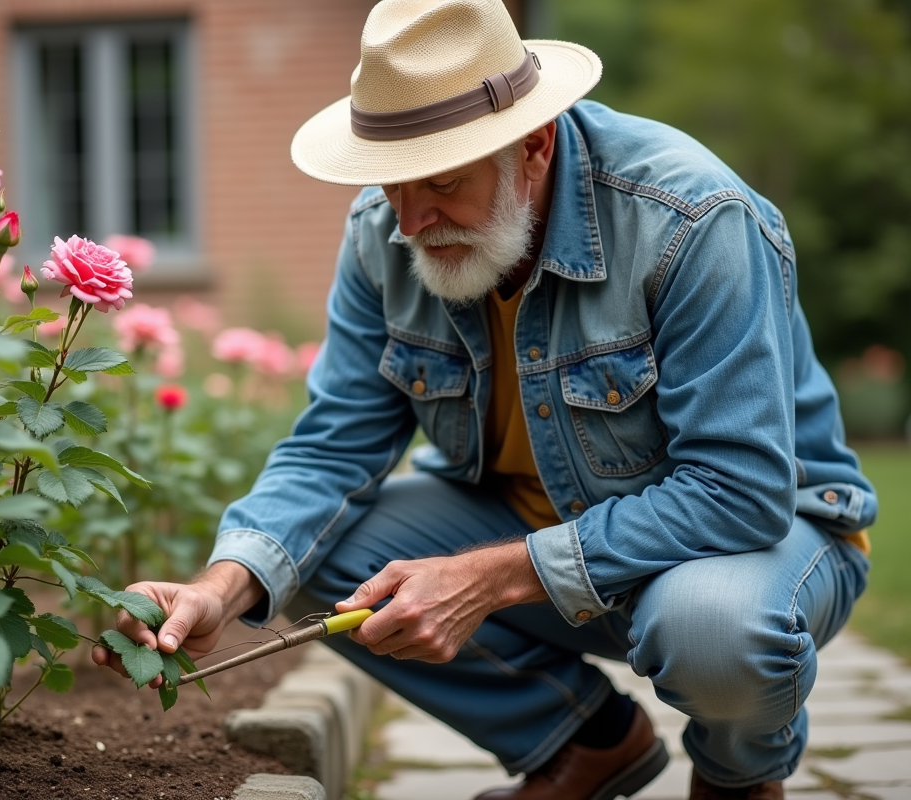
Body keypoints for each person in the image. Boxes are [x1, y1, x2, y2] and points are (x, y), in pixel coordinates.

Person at [92, 1, 876, 798]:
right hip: (542, 537)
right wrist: (220, 586)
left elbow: (737, 494)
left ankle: (739, 776)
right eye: (389, 181)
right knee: (308, 552)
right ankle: (586, 741)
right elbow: (332, 448)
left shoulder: (691, 219)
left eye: (440, 180)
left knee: (713, 631)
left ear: (533, 143)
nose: (411, 220)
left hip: (752, 545)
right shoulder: (383, 234)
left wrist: (490, 577)